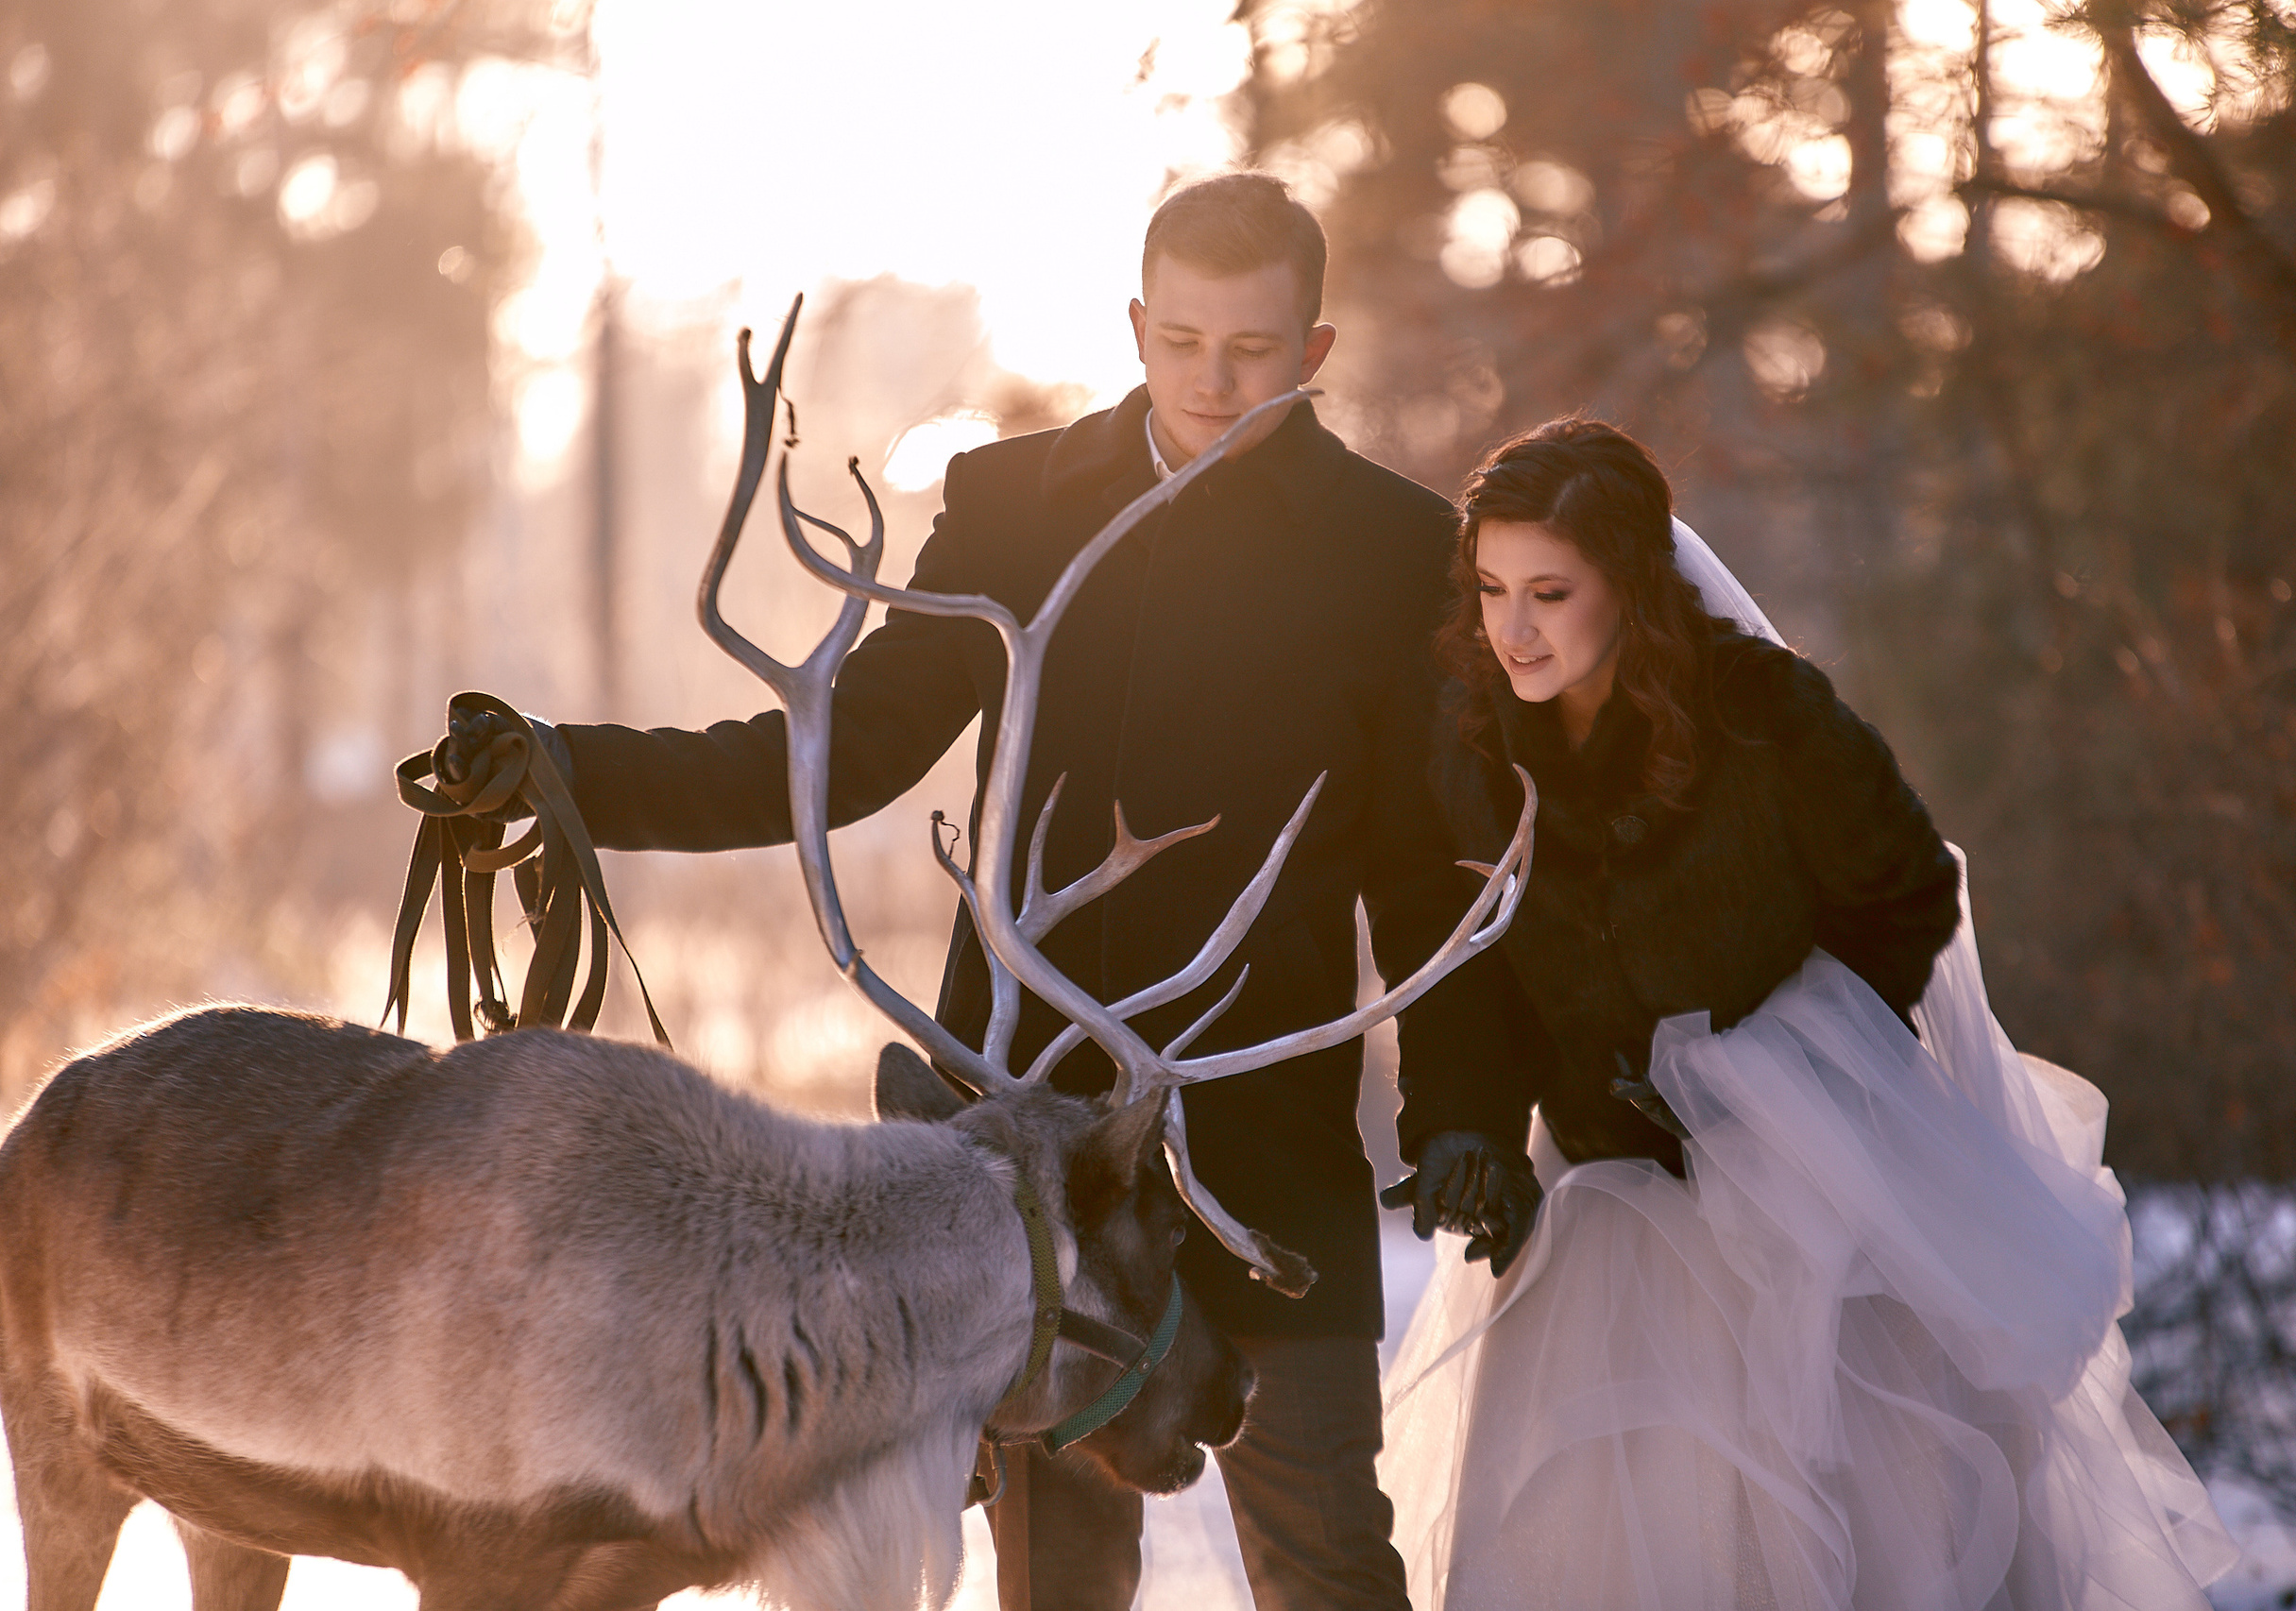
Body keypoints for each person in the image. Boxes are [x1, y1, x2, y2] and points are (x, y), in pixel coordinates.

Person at [426, 172, 1540, 1611]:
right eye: (1182, 340)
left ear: (1315, 350)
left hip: (1264, 1148)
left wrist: (1463, 1110)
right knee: (1055, 1583)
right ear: (1134, 325)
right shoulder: (1016, 505)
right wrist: (573, 769)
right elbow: (844, 753)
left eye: (1252, 348)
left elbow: (1426, 866)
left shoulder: (1391, 551)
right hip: (1026, 1159)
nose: (1211, 379)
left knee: (1327, 1559)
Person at [1377, 417, 2239, 1609]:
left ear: (1628, 584)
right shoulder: (1471, 744)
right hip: (1596, 1198)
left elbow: (1906, 889)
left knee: (1843, 1535)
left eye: (1549, 592)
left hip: (1803, 1206)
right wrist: (1460, 1120)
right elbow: (1462, 960)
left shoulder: (1763, 712)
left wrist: (1781, 1067)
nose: (1511, 628)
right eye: (1489, 589)